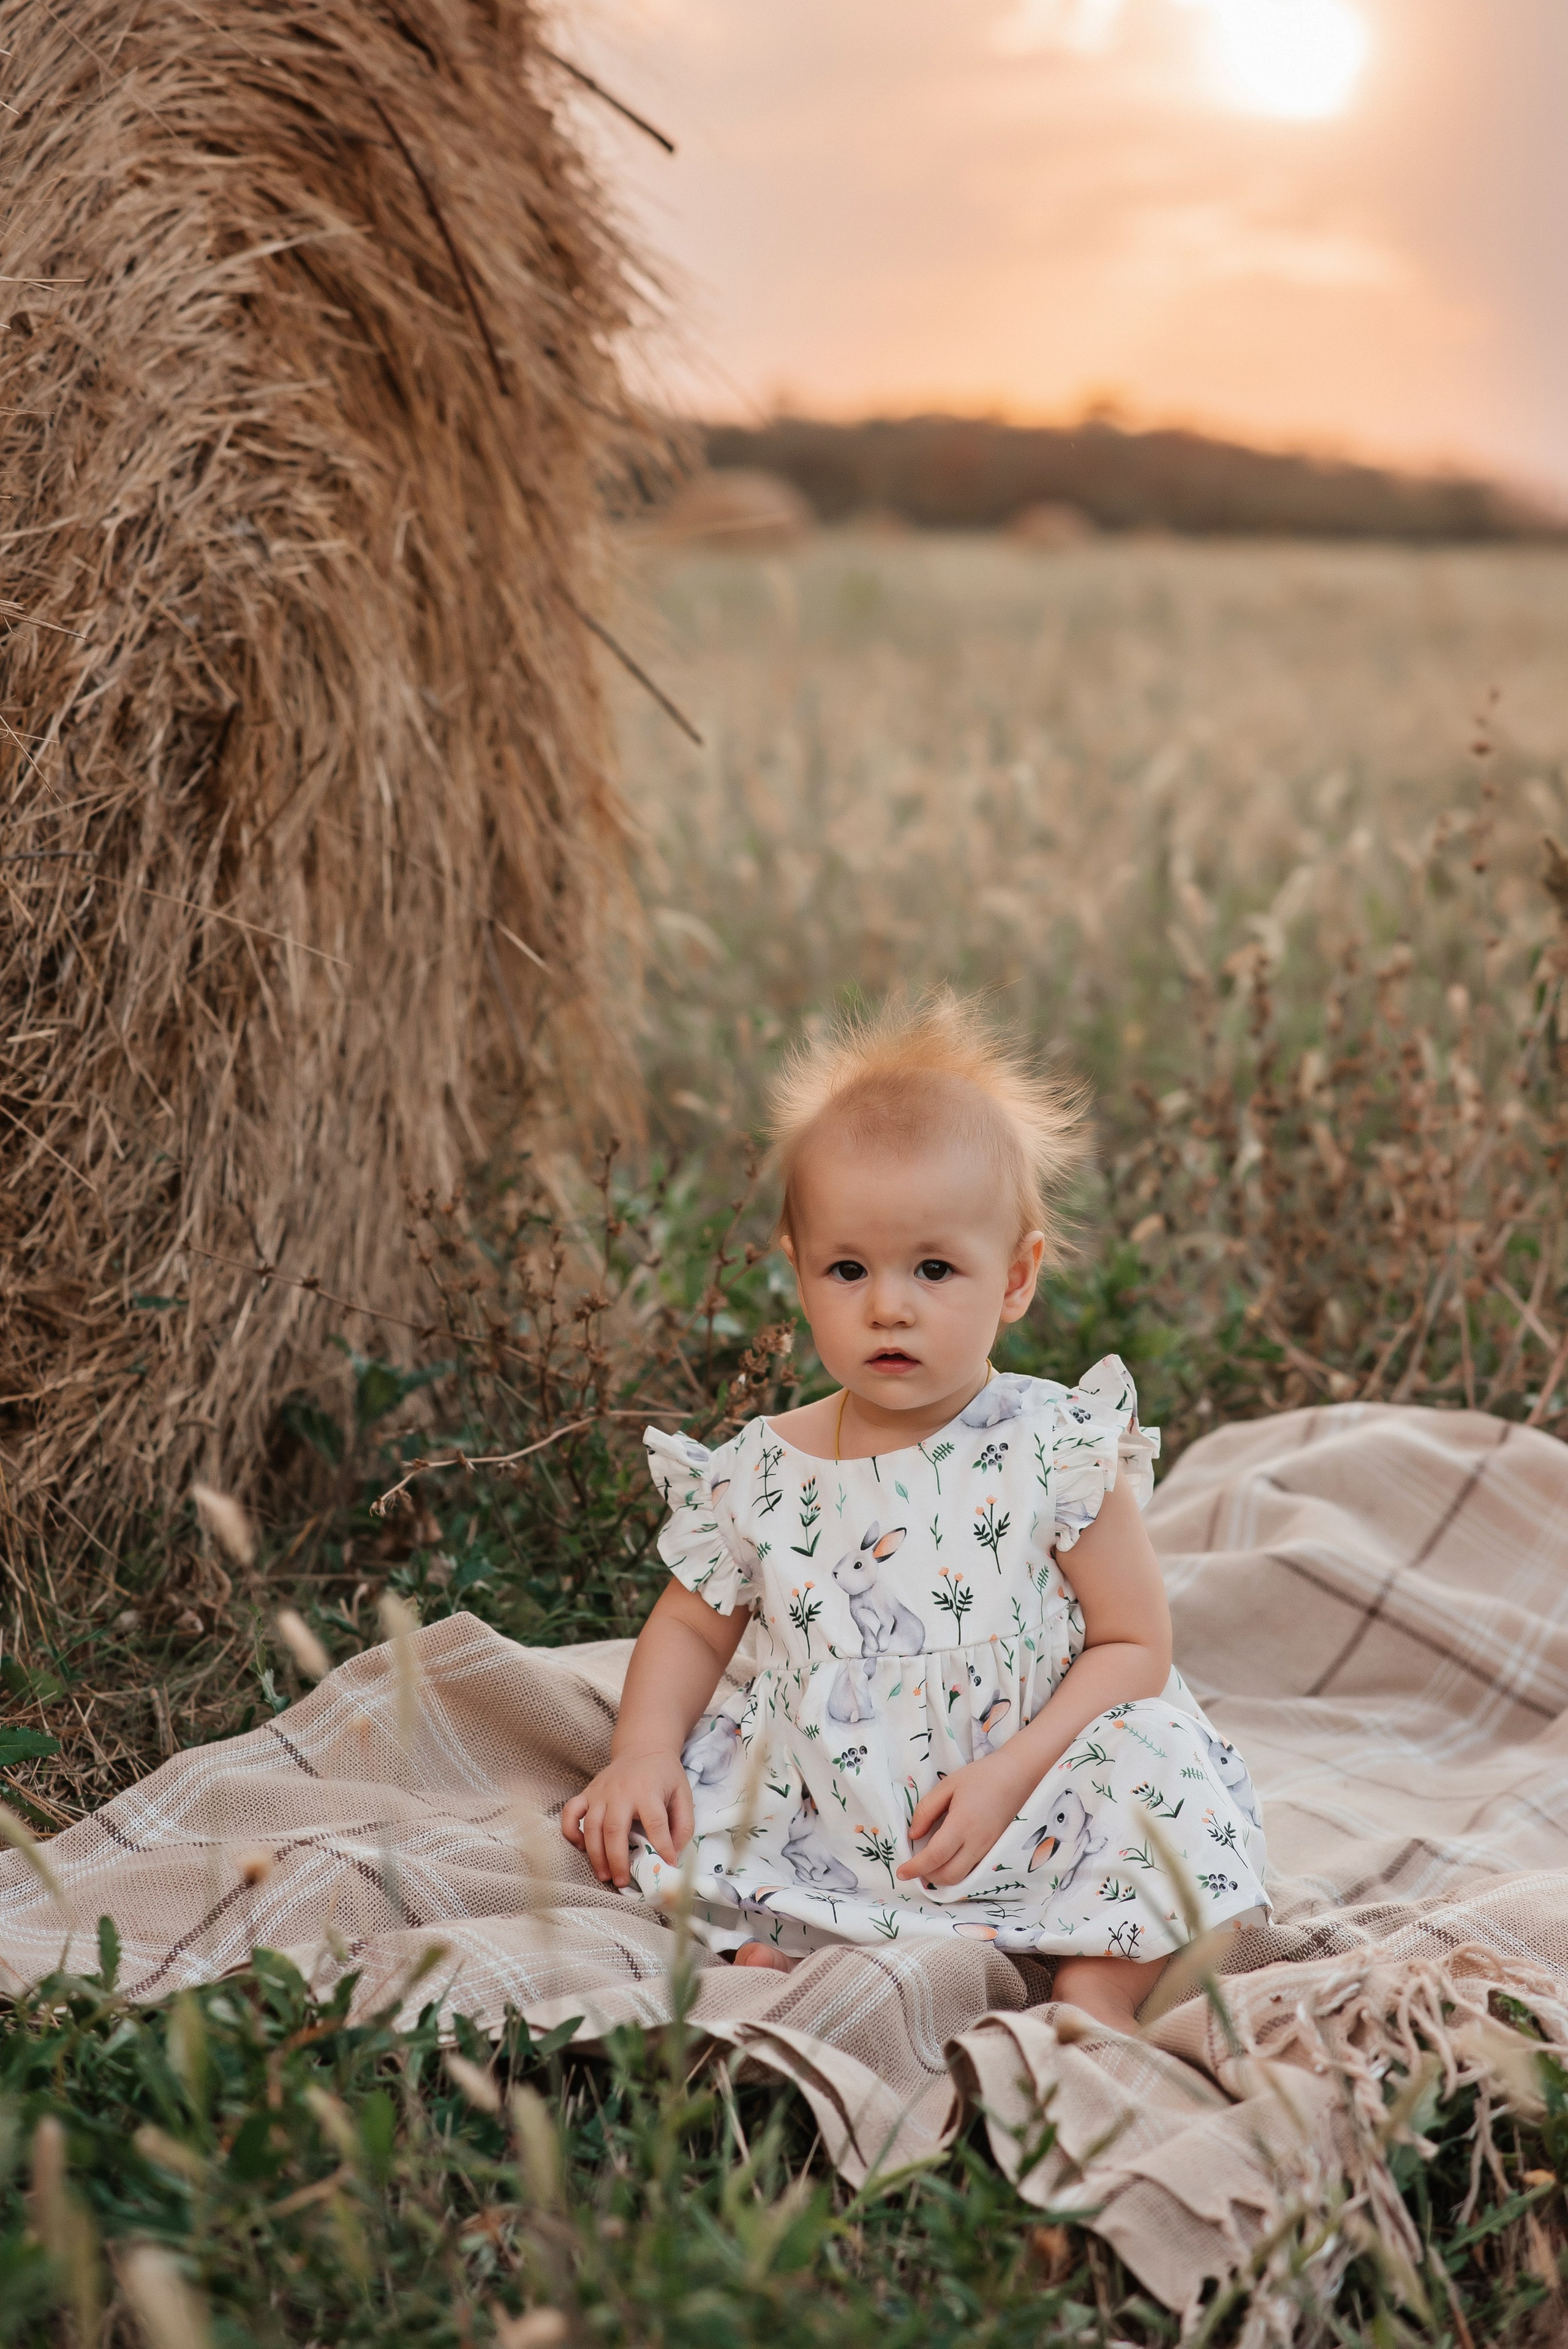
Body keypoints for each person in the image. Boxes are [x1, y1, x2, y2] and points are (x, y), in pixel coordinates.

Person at [562, 992, 1268, 2030]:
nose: (889, 1305)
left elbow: (1134, 1642)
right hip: (837, 1801)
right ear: (798, 1272)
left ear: (1017, 1278)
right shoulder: (763, 1471)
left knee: (1164, 1771)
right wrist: (642, 1747)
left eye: (935, 1269)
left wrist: (1005, 1777)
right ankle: (801, 1938)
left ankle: (1096, 1989)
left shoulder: (1052, 1445)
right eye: (849, 1269)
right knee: (653, 1821)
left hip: (1034, 1780)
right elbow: (686, 1624)